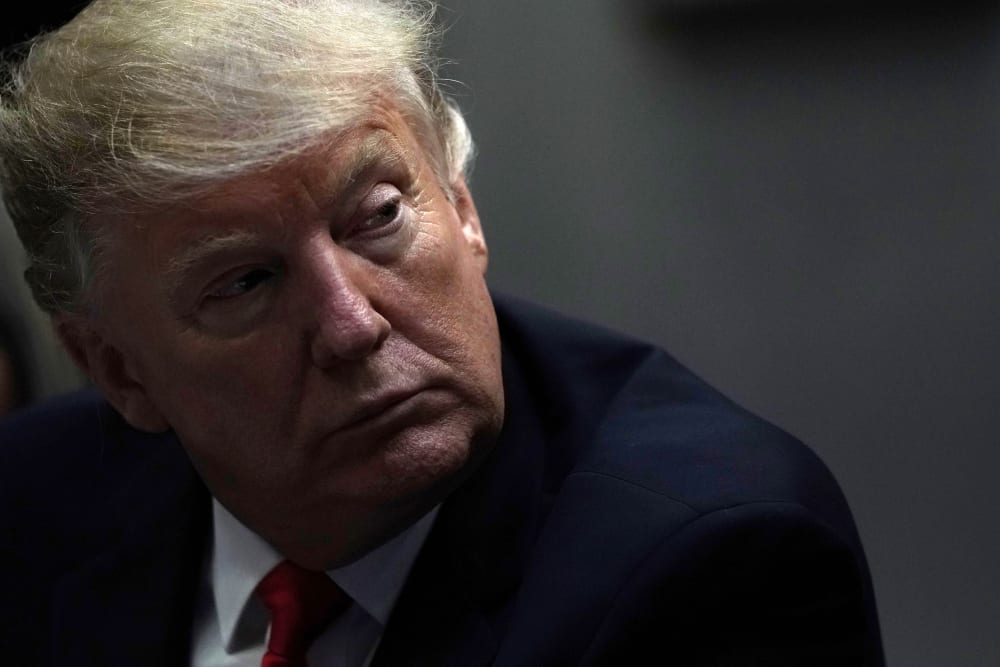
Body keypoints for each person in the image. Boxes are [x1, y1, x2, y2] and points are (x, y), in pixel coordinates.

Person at [0, 1, 883, 665]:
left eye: (378, 216)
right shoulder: (28, 502)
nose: (352, 326)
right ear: (117, 369)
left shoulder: (713, 567)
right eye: (246, 282)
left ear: (461, 206)